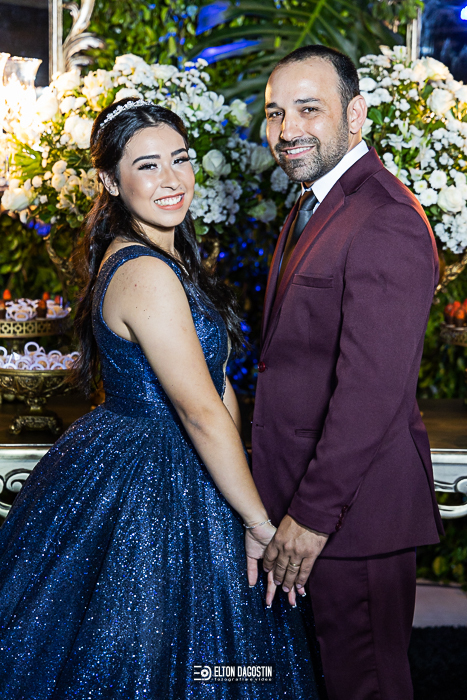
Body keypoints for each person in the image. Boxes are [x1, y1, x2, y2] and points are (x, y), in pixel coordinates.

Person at [0, 98, 318, 699]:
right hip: (151, 475)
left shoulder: (169, 257)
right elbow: (199, 411)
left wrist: (242, 489)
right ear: (109, 181)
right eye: (147, 165)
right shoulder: (145, 271)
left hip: (185, 462)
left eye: (180, 158)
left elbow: (215, 384)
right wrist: (257, 522)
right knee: (146, 653)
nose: (172, 179)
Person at [251, 45, 445, 700]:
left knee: (364, 687)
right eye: (275, 113)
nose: (287, 130)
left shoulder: (384, 217)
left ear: (355, 115)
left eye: (308, 109)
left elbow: (370, 392)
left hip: (349, 520)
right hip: (309, 506)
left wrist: (310, 518)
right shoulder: (317, 203)